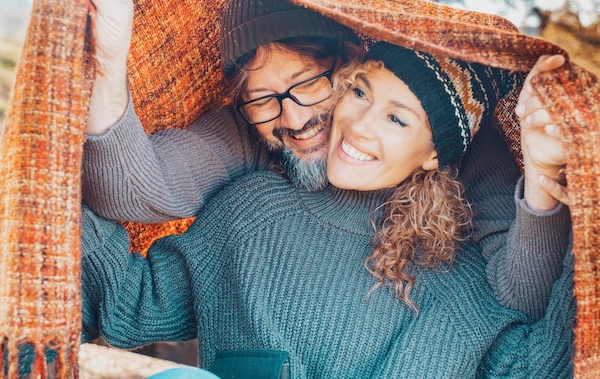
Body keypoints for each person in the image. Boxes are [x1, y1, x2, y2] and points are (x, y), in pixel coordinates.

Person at [75, 0, 570, 320]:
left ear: (353, 59)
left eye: (309, 82)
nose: (293, 117)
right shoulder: (255, 132)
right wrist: (110, 61)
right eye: (263, 97)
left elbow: (524, 293)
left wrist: (544, 182)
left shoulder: (453, 139)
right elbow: (135, 189)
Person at [80, 41, 574, 379]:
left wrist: (570, 206)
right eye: (359, 92)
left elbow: (540, 363)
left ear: (433, 154)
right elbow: (130, 303)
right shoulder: (252, 214)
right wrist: (52, 179)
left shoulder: (463, 279)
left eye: (397, 118)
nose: (358, 125)